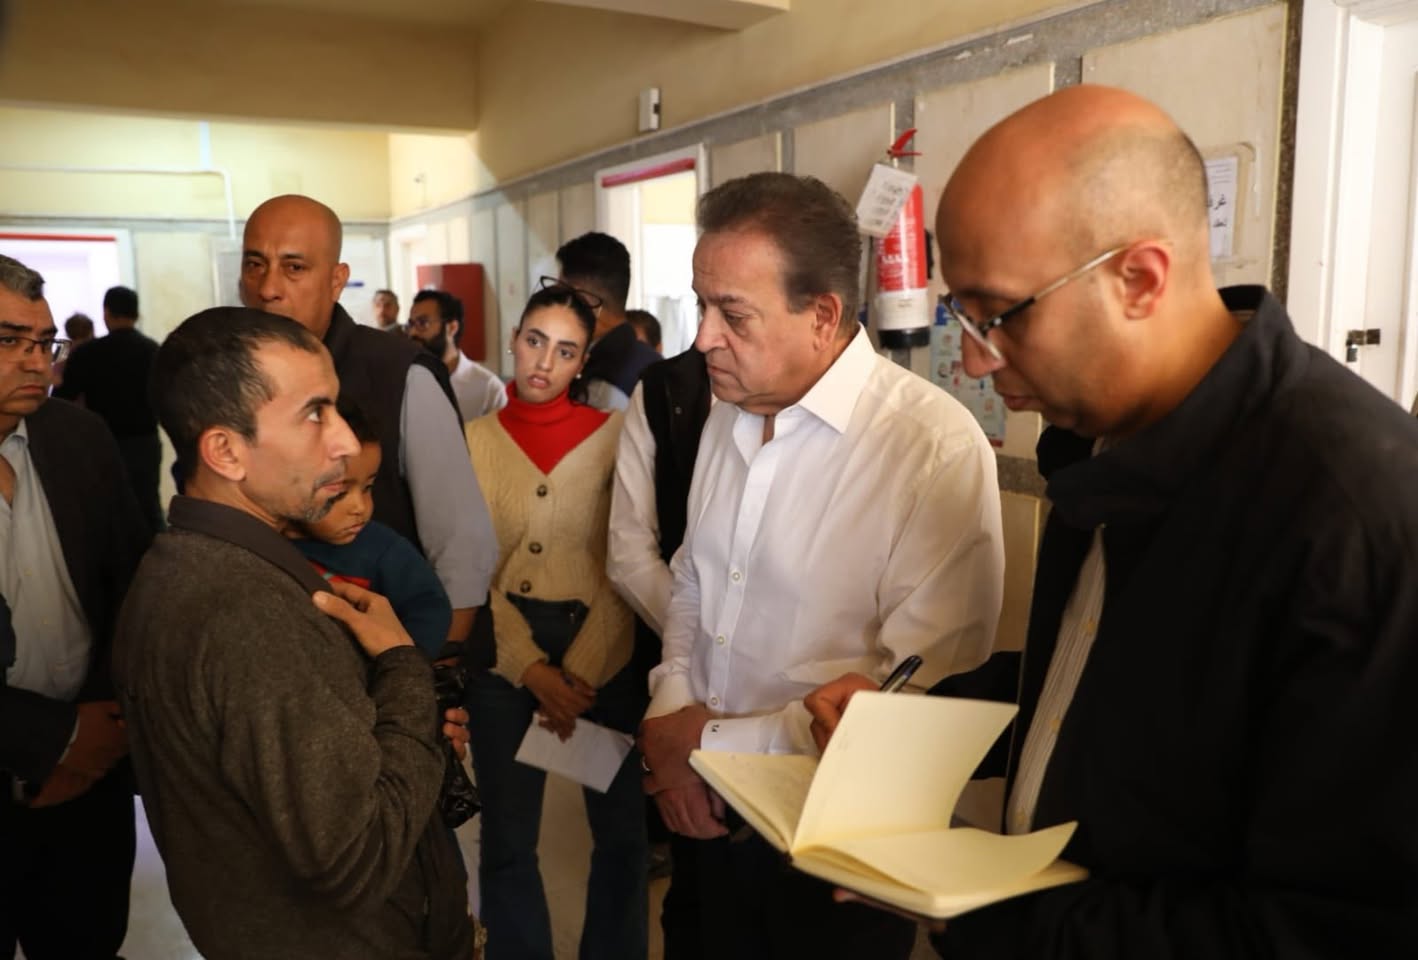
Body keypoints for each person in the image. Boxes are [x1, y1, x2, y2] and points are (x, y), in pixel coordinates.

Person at [805, 84, 1418, 958]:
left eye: (998, 316)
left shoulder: (1355, 520)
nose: (972, 360)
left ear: (1139, 279)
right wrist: (910, 723)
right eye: (960, 315)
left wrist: (979, 910)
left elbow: (1327, 930)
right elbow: (1101, 681)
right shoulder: (1100, 434)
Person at [637, 172, 1005, 960]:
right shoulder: (729, 415)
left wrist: (705, 744)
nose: (702, 339)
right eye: (701, 306)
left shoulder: (929, 448)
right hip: (700, 815)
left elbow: (915, 697)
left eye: (732, 314)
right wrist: (672, 716)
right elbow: (695, 578)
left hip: (827, 847)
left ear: (824, 316)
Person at [114, 306, 480, 960]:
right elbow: (357, 856)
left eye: (335, 407)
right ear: (226, 451)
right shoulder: (243, 609)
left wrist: (400, 730)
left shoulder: (206, 566)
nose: (344, 441)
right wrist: (404, 677)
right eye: (315, 414)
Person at [464, 283, 647, 960]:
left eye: (565, 351)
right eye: (535, 341)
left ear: (583, 363)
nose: (544, 362)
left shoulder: (616, 439)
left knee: (622, 836)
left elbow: (627, 558)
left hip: (605, 650)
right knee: (509, 840)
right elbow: (468, 568)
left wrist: (580, 671)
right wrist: (531, 669)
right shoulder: (473, 441)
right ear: (514, 339)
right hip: (503, 653)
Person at [239, 194, 497, 652]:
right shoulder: (233, 376)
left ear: (337, 280)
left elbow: (462, 547)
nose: (268, 288)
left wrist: (433, 673)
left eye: (294, 268)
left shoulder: (400, 376)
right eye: (255, 265)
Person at [0, 255, 151, 959]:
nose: (38, 361)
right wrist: (52, 739)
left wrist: (101, 730)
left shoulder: (79, 438)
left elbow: (130, 588)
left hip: (91, 776)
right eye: (11, 341)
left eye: (45, 341)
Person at [607, 344, 712, 952]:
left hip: (814, 717)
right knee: (697, 900)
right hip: (679, 673)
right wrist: (698, 646)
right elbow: (630, 553)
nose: (708, 335)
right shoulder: (668, 388)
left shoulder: (902, 421)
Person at [287, 398, 452, 659]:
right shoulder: (264, 541)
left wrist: (403, 663)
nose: (360, 507)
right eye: (339, 492)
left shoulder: (384, 550)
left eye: (368, 488)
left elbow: (430, 608)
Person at [52, 285, 164, 532]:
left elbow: (61, 397)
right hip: (145, 442)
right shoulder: (153, 350)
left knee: (105, 514)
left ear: (106, 313)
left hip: (102, 443)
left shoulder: (89, 353)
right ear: (136, 314)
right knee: (149, 508)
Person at [555, 232, 659, 411]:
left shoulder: (601, 385)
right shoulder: (652, 362)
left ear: (583, 301)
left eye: (559, 296)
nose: (554, 307)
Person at [409, 288, 507, 422]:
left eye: (422, 323)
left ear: (452, 328)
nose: (413, 333)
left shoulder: (488, 388)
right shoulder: (408, 380)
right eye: (411, 324)